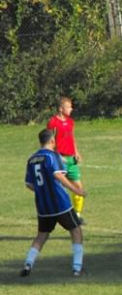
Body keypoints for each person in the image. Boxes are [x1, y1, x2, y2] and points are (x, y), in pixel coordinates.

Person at [21, 129, 87, 277]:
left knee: (41, 235)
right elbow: (58, 175)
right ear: (52, 141)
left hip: (43, 206)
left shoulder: (31, 159)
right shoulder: (53, 156)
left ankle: (28, 263)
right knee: (76, 230)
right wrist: (76, 190)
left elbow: (29, 184)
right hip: (60, 203)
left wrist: (42, 190)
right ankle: (77, 268)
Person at [47, 96, 86, 224]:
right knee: (59, 189)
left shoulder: (70, 122)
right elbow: (49, 142)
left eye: (71, 106)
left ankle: (77, 215)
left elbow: (71, 137)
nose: (71, 109)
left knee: (79, 188)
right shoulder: (53, 122)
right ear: (60, 108)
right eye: (68, 107)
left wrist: (76, 152)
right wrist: (57, 156)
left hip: (71, 159)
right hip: (60, 160)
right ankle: (56, 214)